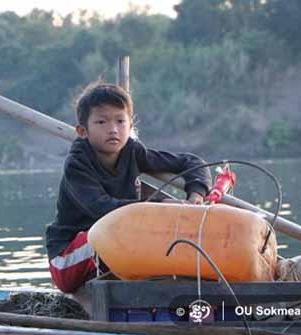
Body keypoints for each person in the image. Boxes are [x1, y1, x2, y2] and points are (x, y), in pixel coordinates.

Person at [45, 81, 212, 294]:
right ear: (82, 131)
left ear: (130, 126)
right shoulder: (77, 164)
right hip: (68, 259)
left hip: (116, 243)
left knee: (160, 235)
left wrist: (196, 196)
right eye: (102, 122)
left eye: (120, 121)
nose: (113, 129)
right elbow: (100, 208)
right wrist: (160, 206)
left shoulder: (133, 151)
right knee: (118, 229)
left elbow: (192, 162)